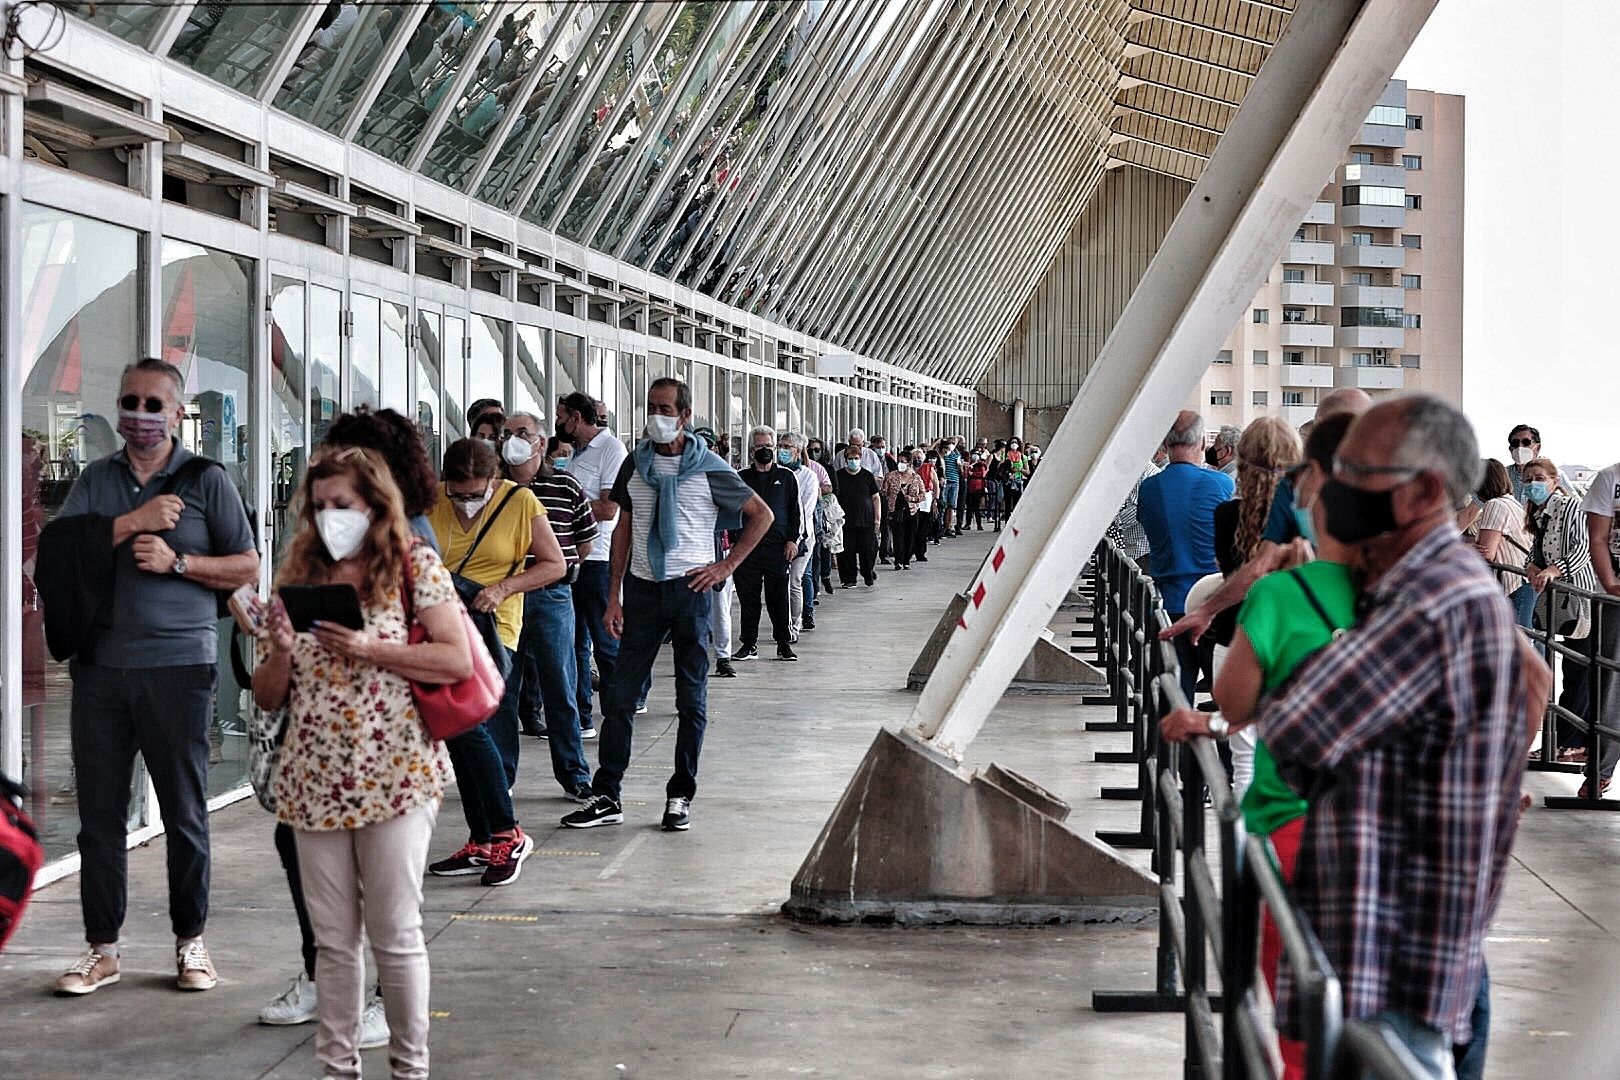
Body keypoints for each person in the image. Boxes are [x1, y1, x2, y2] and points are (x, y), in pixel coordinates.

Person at [1193, 396, 1546, 1076]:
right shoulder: (1441, 581)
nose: (1334, 487)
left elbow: (1295, 728)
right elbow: (1534, 681)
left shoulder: (1426, 600)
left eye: (1358, 472)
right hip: (1393, 942)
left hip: (1394, 957)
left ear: (1424, 491)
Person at [251, 447, 466, 1080]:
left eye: (340, 505)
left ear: (374, 505)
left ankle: (409, 1069)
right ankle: (336, 1068)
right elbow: (267, 695)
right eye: (317, 507)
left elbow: (455, 659)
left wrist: (372, 648)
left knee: (395, 931)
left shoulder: (413, 566)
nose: (327, 518)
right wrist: (282, 651)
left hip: (394, 771)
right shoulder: (300, 576)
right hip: (313, 778)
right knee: (334, 942)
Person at [52, 358, 259, 997]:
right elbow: (60, 553)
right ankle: (102, 949)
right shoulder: (96, 479)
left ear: (177, 412)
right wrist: (135, 523)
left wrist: (179, 563)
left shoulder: (206, 480)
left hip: (179, 666)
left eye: (153, 404)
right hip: (101, 670)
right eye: (129, 402)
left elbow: (246, 565)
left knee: (185, 812)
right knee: (99, 817)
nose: (139, 416)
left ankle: (190, 942)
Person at [562, 378, 771, 832]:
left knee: (690, 698)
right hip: (641, 589)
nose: (656, 415)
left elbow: (762, 515)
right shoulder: (634, 465)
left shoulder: (710, 467)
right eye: (651, 406)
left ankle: (680, 795)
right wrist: (613, 595)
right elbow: (622, 527)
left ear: (684, 416)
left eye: (665, 408)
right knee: (618, 696)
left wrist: (723, 567)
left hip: (689, 590)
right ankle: (607, 793)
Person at [1160, 387, 1373, 646]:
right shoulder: (1297, 490)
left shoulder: (1377, 488)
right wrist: (1206, 610)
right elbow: (1262, 565)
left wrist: (1206, 609)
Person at [428, 438, 566, 790]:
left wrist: (503, 588)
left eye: (475, 495)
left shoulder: (519, 502)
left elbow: (555, 565)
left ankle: (497, 789)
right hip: (440, 623)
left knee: (492, 710)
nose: (466, 503)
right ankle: (472, 784)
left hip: (495, 623)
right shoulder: (431, 500)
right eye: (458, 495)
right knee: (451, 712)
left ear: (494, 478)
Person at [501, 416, 597, 801]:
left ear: (541, 443)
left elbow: (584, 543)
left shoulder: (565, 485)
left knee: (561, 687)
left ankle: (573, 773)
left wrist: (554, 569)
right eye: (507, 434)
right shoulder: (494, 489)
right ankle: (501, 775)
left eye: (522, 434)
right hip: (504, 600)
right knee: (503, 691)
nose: (512, 441)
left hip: (552, 597)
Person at [1137, 411, 1235, 703]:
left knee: (1174, 698)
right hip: (1213, 605)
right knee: (1226, 703)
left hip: (1167, 605)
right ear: (1203, 441)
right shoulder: (1221, 485)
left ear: (1166, 444)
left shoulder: (1150, 488)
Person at [558, 390, 628, 740]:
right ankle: (582, 717)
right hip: (569, 557)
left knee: (605, 641)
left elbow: (608, 508)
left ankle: (618, 714)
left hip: (597, 558)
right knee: (575, 644)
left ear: (576, 417)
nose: (559, 423)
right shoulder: (572, 453)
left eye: (562, 416)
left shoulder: (611, 450)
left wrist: (564, 506)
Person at [1521, 456, 1597, 761]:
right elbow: (1534, 551)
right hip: (1558, 600)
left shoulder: (1569, 507)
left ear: (1554, 480)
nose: (1533, 485)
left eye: (1539, 478)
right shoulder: (1539, 514)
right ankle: (1561, 741)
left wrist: (1554, 570)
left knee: (1579, 669)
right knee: (1567, 668)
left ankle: (1573, 742)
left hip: (1580, 597)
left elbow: (1583, 547)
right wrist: (1532, 568)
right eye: (1528, 480)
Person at [733, 425, 803, 662]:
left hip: (777, 548)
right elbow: (733, 511)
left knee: (778, 597)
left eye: (769, 446)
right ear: (752, 450)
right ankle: (749, 644)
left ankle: (783, 643)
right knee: (748, 598)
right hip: (748, 549)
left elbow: (795, 512)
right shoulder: (742, 479)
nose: (765, 450)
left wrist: (793, 540)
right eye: (760, 446)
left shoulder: (786, 477)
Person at [1581, 456, 1620, 797]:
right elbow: (1598, 538)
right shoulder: (1610, 479)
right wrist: (1611, 584)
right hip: (1616, 600)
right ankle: (1600, 770)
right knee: (1611, 682)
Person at [1465, 459, 1536, 630]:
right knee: (1526, 635)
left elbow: (1486, 552)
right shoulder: (1511, 502)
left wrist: (1463, 549)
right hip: (1524, 580)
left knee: (1518, 638)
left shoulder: (1494, 505)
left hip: (1514, 583)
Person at [778, 431, 819, 639]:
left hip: (802, 537)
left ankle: (794, 625)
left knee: (794, 580)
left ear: (797, 451)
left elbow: (805, 509)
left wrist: (794, 539)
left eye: (787, 447)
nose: (782, 451)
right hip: (777, 535)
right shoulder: (775, 473)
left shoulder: (808, 476)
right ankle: (782, 624)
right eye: (781, 446)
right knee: (779, 583)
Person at [834, 446, 881, 587]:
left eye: (856, 458)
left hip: (866, 521)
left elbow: (875, 498)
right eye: (850, 458)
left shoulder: (867, 476)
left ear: (860, 459)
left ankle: (867, 573)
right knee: (846, 551)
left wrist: (877, 519)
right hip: (845, 521)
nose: (853, 461)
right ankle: (849, 579)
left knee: (868, 549)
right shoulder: (839, 476)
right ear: (845, 459)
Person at [1505, 424, 1573, 504]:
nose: (1520, 447)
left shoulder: (1556, 474)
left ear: (1537, 448)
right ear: (1510, 449)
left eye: (1526, 442)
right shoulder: (1503, 475)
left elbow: (1574, 506)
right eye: (1515, 443)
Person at [881, 452, 924, 570]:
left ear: (909, 463)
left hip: (911, 511)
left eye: (903, 461)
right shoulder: (891, 476)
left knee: (909, 536)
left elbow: (922, 495)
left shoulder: (916, 477)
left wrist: (913, 499)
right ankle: (898, 560)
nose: (900, 464)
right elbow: (884, 491)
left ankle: (906, 560)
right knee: (898, 536)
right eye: (899, 461)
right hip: (896, 510)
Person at [964, 448, 992, 531]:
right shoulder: (969, 465)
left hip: (978, 488)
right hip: (970, 488)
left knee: (977, 507)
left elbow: (982, 474)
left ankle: (979, 525)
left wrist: (973, 473)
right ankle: (968, 524)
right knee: (969, 507)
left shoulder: (981, 465)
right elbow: (966, 473)